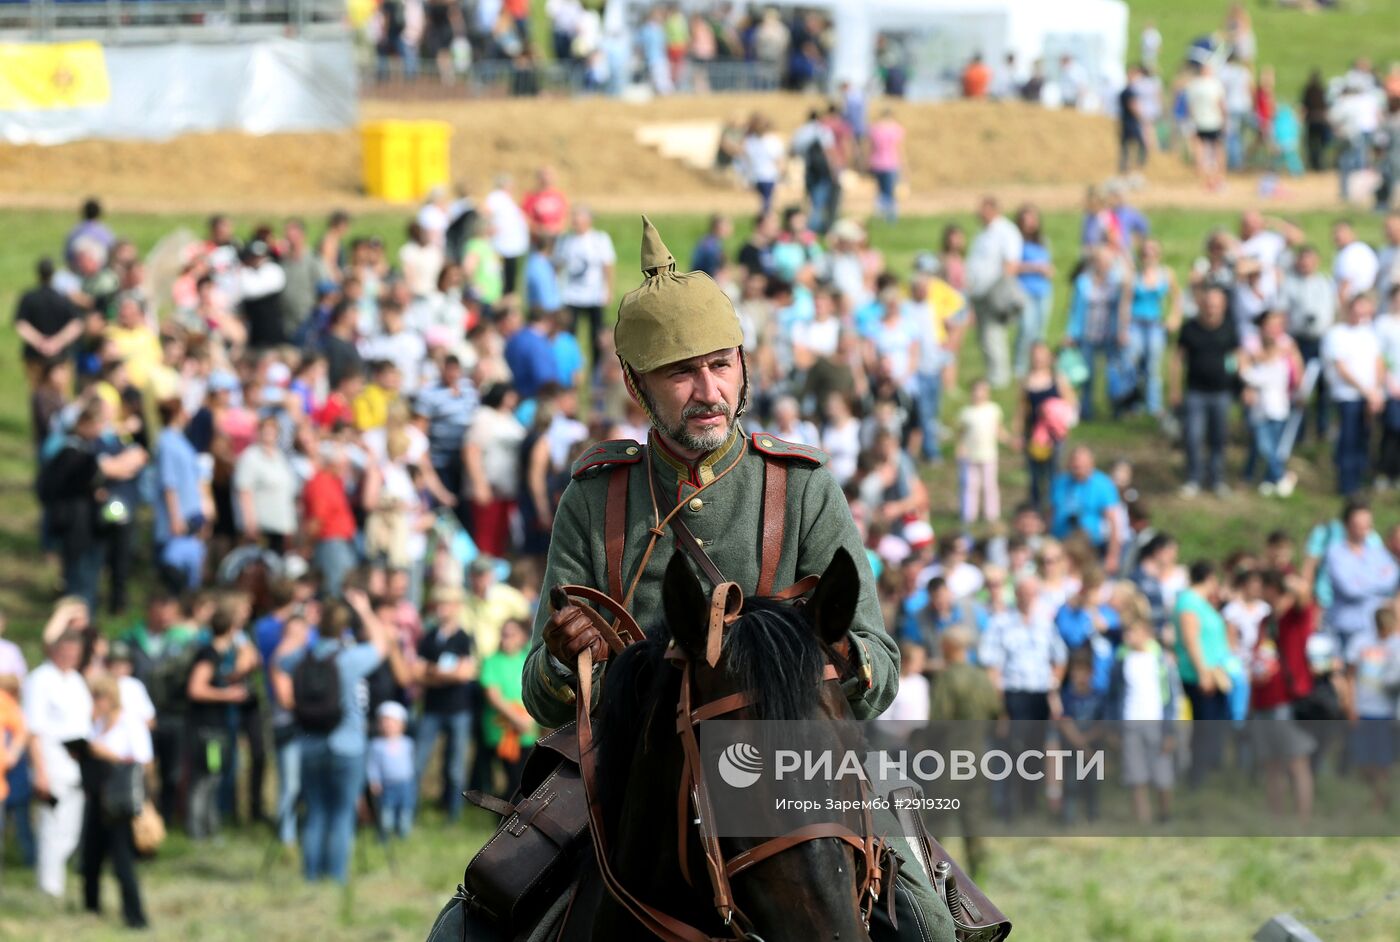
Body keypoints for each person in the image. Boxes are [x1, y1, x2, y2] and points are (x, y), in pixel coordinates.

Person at [520, 217, 950, 941]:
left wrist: (837, 656)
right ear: (636, 384)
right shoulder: (596, 497)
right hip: (627, 774)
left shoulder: (803, 485)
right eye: (682, 373)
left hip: (796, 759)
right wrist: (565, 657)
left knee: (932, 929)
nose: (708, 389)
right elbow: (538, 693)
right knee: (479, 906)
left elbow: (879, 667)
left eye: (721, 365)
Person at [278, 591, 391, 883]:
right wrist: (365, 610)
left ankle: (311, 877)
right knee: (341, 814)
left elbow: (278, 662)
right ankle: (336, 878)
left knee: (315, 811)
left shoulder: (302, 658)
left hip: (310, 742)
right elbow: (382, 645)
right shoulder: (350, 658)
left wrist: (300, 628)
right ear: (344, 627)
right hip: (348, 744)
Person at [24, 602, 93, 899]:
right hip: (50, 766)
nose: (69, 656)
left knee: (70, 830)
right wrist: (39, 771)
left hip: (76, 767)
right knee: (51, 827)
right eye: (64, 651)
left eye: (74, 652)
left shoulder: (77, 681)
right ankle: (50, 888)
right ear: (54, 650)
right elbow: (34, 730)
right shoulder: (40, 680)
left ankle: (57, 879)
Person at [81, 675, 149, 929]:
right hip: (98, 796)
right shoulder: (97, 725)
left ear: (109, 698)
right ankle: (91, 909)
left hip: (120, 800)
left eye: (97, 697)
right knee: (91, 856)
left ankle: (136, 917)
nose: (94, 702)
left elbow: (142, 760)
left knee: (122, 860)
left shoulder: (130, 723)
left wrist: (105, 754)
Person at [1251, 571, 1316, 824]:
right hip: (1263, 699)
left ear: (1272, 588)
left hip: (1287, 700)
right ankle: (1275, 819)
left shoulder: (1293, 617)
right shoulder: (1266, 621)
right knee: (1271, 764)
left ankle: (1302, 821)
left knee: (1297, 761)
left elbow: (1303, 597)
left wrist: (1287, 579)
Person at [414, 583, 478, 822]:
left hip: (458, 710)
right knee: (418, 763)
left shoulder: (463, 638)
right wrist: (445, 674)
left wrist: (432, 673)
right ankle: (410, 813)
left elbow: (465, 674)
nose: (442, 609)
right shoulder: (428, 637)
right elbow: (416, 673)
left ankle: (453, 817)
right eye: (439, 604)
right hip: (432, 709)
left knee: (455, 767)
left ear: (456, 607)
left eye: (447, 604)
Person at [1107, 614, 1177, 824]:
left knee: (1162, 774)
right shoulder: (1121, 661)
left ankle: (1165, 815)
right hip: (1130, 722)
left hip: (1156, 722)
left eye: (1133, 632)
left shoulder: (1161, 661)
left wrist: (1170, 731)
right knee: (1136, 776)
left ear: (1146, 634)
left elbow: (1171, 698)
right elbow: (1113, 696)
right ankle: (1143, 822)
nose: (1128, 636)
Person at [1173, 285, 1240, 498]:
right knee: (1193, 436)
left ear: (1223, 307)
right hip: (1195, 392)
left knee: (1219, 438)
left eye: (1216, 305)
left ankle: (1217, 479)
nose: (1211, 309)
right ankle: (1193, 478)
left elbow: (1237, 358)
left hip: (1222, 393)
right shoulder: (1190, 328)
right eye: (1208, 304)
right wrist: (1174, 389)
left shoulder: (1229, 328)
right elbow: (1177, 359)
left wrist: (1241, 385)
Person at [1173, 561, 1232, 785]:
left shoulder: (1200, 602)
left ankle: (1207, 773)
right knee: (1203, 728)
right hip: (1200, 675)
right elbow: (1191, 639)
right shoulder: (1189, 602)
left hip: (1214, 673)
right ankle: (1197, 777)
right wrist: (1203, 673)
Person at [1323, 293, 1384, 496]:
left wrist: (1375, 392)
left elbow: (1378, 362)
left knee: (1363, 439)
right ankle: (1346, 484)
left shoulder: (1369, 333)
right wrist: (1367, 391)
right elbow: (1342, 368)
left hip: (1368, 396)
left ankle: (1359, 480)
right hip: (1347, 395)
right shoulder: (1337, 334)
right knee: (1348, 439)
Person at [1324, 502, 1399, 657]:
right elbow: (1350, 589)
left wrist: (1361, 581)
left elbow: (1391, 580)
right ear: (1347, 525)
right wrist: (1377, 583)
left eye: (1367, 524)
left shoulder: (1378, 552)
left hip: (1374, 630)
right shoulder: (1335, 553)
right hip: (1345, 631)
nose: (1364, 528)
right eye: (1359, 524)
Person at [967, 196, 1024, 390]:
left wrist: (1000, 290)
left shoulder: (1005, 231)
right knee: (984, 336)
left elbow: (1011, 263)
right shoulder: (983, 233)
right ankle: (992, 372)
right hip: (979, 291)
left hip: (994, 290)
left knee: (993, 333)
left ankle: (1000, 376)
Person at [1345, 608, 1400, 811]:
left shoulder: (1396, 644)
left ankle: (1379, 801)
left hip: (1387, 712)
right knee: (1364, 760)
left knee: (1384, 760)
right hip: (1364, 709)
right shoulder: (1360, 642)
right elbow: (1350, 675)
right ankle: (1375, 797)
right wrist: (1351, 705)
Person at [478, 618, 537, 799]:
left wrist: (531, 718)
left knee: (526, 783)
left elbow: (538, 690)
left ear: (522, 637)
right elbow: (493, 696)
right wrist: (517, 719)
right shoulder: (492, 661)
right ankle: (506, 822)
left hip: (527, 731)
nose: (506, 639)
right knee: (514, 782)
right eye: (504, 635)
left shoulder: (529, 659)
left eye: (511, 635)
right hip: (503, 731)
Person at [552, 206, 615, 368]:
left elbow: (607, 265)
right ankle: (570, 366)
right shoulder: (565, 240)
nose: (575, 223)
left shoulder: (599, 239)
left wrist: (608, 289)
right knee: (569, 334)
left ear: (588, 221)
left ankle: (598, 370)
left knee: (597, 337)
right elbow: (557, 265)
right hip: (571, 296)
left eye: (578, 220)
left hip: (594, 296)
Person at [1128, 239, 1181, 419]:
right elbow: (1125, 301)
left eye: (1152, 252)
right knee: (1134, 361)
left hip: (1155, 324)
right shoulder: (1134, 274)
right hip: (1135, 323)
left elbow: (1176, 297)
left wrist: (1174, 317)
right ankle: (1134, 402)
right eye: (1145, 252)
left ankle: (1154, 405)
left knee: (1153, 365)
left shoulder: (1166, 274)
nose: (1148, 256)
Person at [1049, 447, 1122, 573]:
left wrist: (1113, 555)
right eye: (1074, 464)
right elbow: (1051, 513)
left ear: (1091, 464)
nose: (1077, 468)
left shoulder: (1103, 485)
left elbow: (1114, 523)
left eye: (1081, 465)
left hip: (1090, 546)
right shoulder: (1060, 482)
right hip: (1062, 541)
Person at [14, 258, 83, 389]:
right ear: (53, 274)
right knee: (60, 396)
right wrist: (57, 342)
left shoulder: (29, 298)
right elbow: (76, 324)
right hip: (60, 356)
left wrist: (40, 342)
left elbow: (21, 324)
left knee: (38, 395)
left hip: (35, 356)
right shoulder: (61, 298)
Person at [956, 378, 1007, 527]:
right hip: (970, 455)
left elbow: (999, 430)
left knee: (989, 485)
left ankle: (992, 515)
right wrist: (960, 448)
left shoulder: (993, 409)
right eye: (976, 390)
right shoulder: (966, 413)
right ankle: (968, 515)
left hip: (989, 455)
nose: (979, 394)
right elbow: (961, 434)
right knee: (970, 485)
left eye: (982, 390)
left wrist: (1010, 441)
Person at [1014, 205, 1054, 379]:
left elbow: (1048, 262)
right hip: (1025, 290)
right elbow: (1012, 266)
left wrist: (1047, 270)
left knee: (1040, 331)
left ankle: (1037, 365)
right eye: (1027, 219)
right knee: (1027, 328)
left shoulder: (1043, 241)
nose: (1031, 223)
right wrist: (1034, 267)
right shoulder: (1016, 242)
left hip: (1043, 291)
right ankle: (1020, 366)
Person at [366, 700, 416, 839]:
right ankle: (384, 834)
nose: (388, 726)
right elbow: (372, 765)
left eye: (392, 722)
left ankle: (403, 833)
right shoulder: (376, 745)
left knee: (405, 810)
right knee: (386, 812)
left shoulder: (407, 743)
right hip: (387, 785)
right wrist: (374, 780)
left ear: (401, 725)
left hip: (405, 784)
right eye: (384, 722)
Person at [1185, 60, 1226, 189]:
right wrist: (1224, 118)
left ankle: (1200, 171)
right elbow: (1220, 103)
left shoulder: (1193, 85)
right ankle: (1220, 172)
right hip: (1214, 120)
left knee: (1199, 147)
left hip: (1199, 121)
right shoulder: (1215, 84)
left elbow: (1189, 106)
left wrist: (1192, 119)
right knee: (1217, 147)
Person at [867, 109, 906, 224]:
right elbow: (900, 149)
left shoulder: (875, 129)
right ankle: (891, 217)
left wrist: (868, 162)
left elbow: (871, 148)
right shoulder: (896, 129)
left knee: (881, 192)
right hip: (891, 163)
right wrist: (904, 166)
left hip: (877, 163)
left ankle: (882, 214)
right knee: (890, 192)